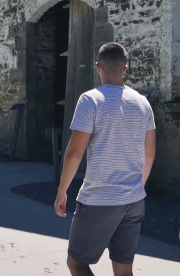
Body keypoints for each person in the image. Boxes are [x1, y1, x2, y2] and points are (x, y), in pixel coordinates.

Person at [54, 42, 157, 276]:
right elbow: (149, 153)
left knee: (77, 263)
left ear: (97, 67)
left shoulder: (90, 100)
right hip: (133, 200)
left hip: (99, 198)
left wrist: (62, 190)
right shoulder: (143, 103)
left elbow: (75, 152)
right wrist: (136, 187)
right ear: (125, 69)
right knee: (123, 270)